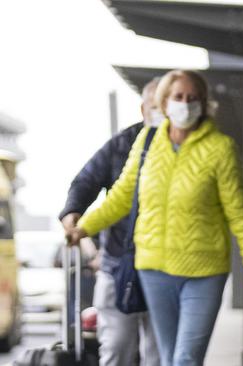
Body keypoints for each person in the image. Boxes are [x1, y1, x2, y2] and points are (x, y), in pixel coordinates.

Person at [69, 69, 243, 366]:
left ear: (203, 103)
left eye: (193, 98)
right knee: (166, 358)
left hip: (203, 273)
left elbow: (240, 216)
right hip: (154, 270)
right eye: (178, 97)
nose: (185, 104)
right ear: (163, 102)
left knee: (185, 359)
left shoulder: (220, 149)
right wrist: (83, 228)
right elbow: (122, 196)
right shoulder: (146, 142)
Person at [60, 78, 162, 366]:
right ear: (144, 109)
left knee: (158, 354)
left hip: (164, 266)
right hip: (119, 262)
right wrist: (74, 217)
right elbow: (86, 182)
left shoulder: (187, 146)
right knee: (116, 348)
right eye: (157, 106)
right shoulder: (123, 144)